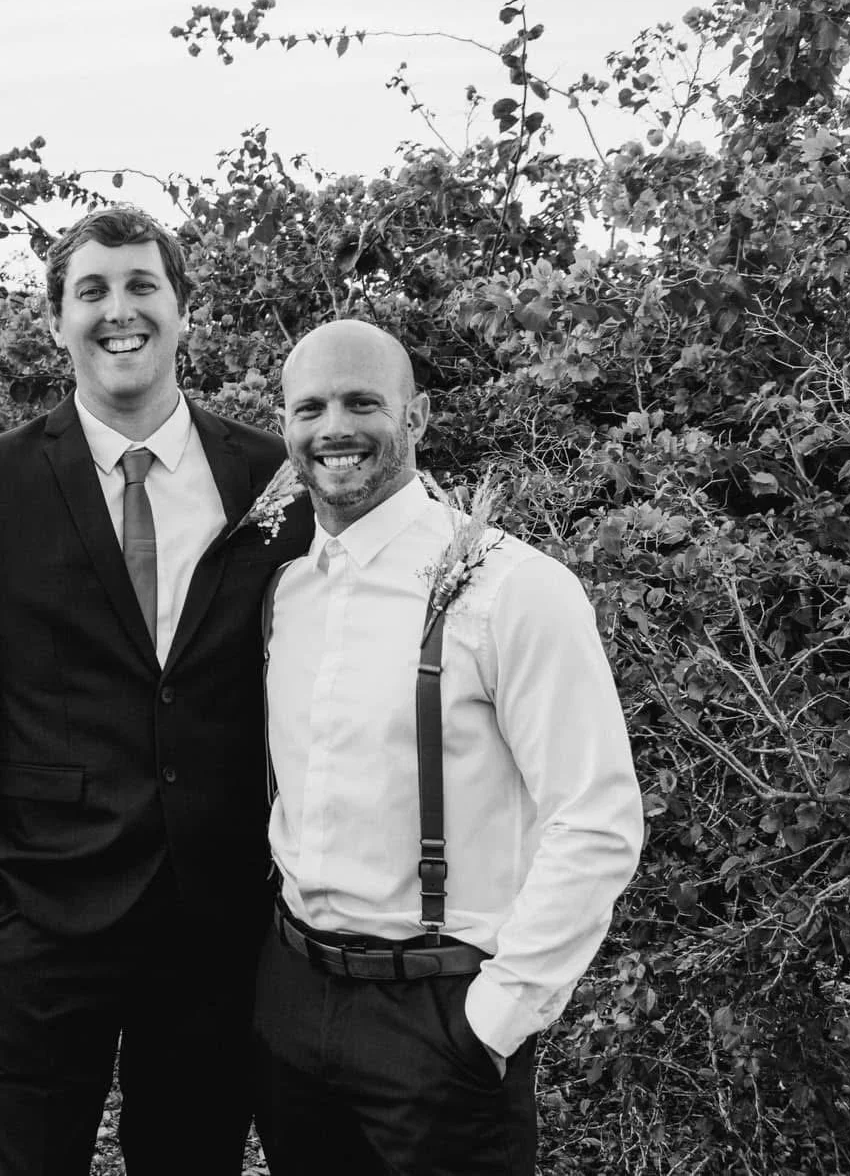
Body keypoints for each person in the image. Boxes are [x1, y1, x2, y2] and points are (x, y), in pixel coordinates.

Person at [0, 204, 303, 1175]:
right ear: (57, 319)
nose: (120, 311)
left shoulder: (267, 477)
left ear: (184, 311)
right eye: (93, 291)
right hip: (39, 913)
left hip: (215, 920)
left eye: (141, 285)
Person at [254, 318, 645, 1175]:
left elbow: (597, 818)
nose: (335, 429)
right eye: (309, 407)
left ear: (419, 417)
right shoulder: (285, 591)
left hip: (438, 1015)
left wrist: (496, 1019)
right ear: (284, 427)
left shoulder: (514, 588)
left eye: (363, 403)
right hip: (292, 998)